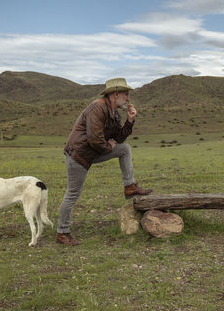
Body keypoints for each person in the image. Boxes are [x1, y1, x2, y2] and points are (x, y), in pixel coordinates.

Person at [56, 77, 153, 246]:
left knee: (124, 149)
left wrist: (129, 121)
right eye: (126, 94)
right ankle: (62, 233)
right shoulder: (98, 107)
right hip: (79, 156)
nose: (128, 99)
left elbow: (119, 138)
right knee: (72, 194)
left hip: (93, 153)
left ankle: (130, 186)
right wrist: (108, 145)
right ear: (116, 94)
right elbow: (94, 139)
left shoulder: (114, 113)